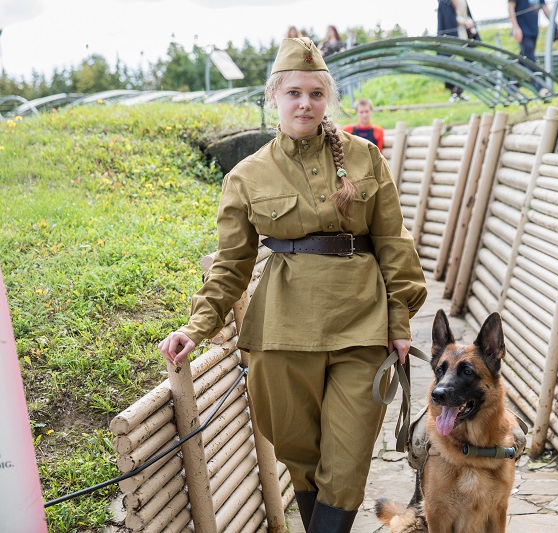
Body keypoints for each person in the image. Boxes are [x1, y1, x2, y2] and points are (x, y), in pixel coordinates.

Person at [159, 37, 427, 533]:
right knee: (301, 457)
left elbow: (393, 242)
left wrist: (400, 319)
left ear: (327, 98)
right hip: (282, 335)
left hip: (361, 326)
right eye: (294, 93)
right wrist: (196, 328)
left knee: (346, 465)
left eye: (315, 94)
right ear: (274, 98)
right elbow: (231, 265)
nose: (305, 103)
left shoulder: (365, 157)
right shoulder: (247, 175)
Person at [508, 0, 553, 96]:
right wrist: (515, 28)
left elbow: (544, 7)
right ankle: (540, 88)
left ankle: (512, 90)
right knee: (530, 59)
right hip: (522, 30)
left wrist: (555, 24)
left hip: (534, 30)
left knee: (523, 60)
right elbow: (511, 8)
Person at [437, 0, 479, 102]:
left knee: (468, 61)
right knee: (449, 63)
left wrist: (469, 22)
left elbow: (465, 13)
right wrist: (465, 21)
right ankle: (452, 91)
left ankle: (460, 90)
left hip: (464, 34)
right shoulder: (444, 2)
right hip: (451, 35)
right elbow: (448, 18)